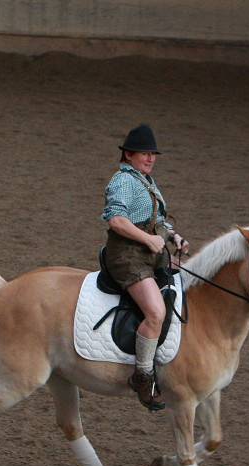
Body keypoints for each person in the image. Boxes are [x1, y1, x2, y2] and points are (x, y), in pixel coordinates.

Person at [101, 124, 189, 411]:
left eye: (153, 154)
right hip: (128, 256)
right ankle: (143, 375)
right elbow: (116, 220)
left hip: (151, 252)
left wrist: (173, 237)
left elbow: (158, 220)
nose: (150, 158)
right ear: (128, 154)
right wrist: (149, 240)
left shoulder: (146, 181)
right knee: (156, 312)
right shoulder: (123, 181)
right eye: (144, 153)